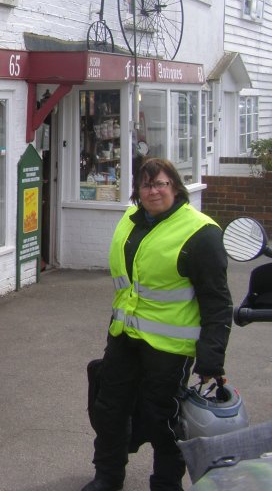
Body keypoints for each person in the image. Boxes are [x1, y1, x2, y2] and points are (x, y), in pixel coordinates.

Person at [82, 158, 233, 491]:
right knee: (110, 409)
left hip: (169, 348)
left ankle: (165, 484)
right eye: (146, 185)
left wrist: (211, 359)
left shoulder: (201, 232)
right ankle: (108, 476)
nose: (153, 192)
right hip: (124, 336)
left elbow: (217, 302)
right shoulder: (130, 219)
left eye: (161, 184)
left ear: (175, 186)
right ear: (137, 190)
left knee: (162, 419)